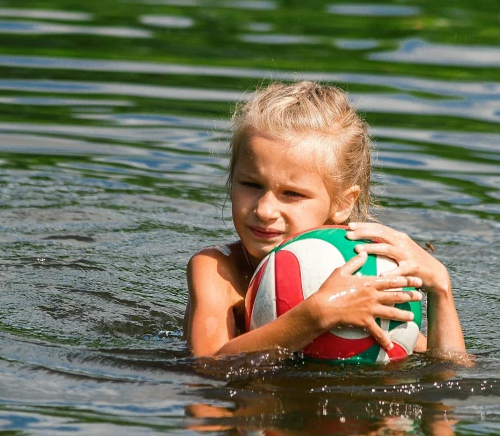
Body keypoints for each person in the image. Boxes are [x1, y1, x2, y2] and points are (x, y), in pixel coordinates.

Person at [184, 81, 465, 359]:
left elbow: (447, 371)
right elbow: (208, 369)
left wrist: (441, 288)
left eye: (291, 193)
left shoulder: (358, 271)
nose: (265, 209)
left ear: (343, 203)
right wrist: (319, 313)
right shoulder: (218, 270)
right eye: (251, 184)